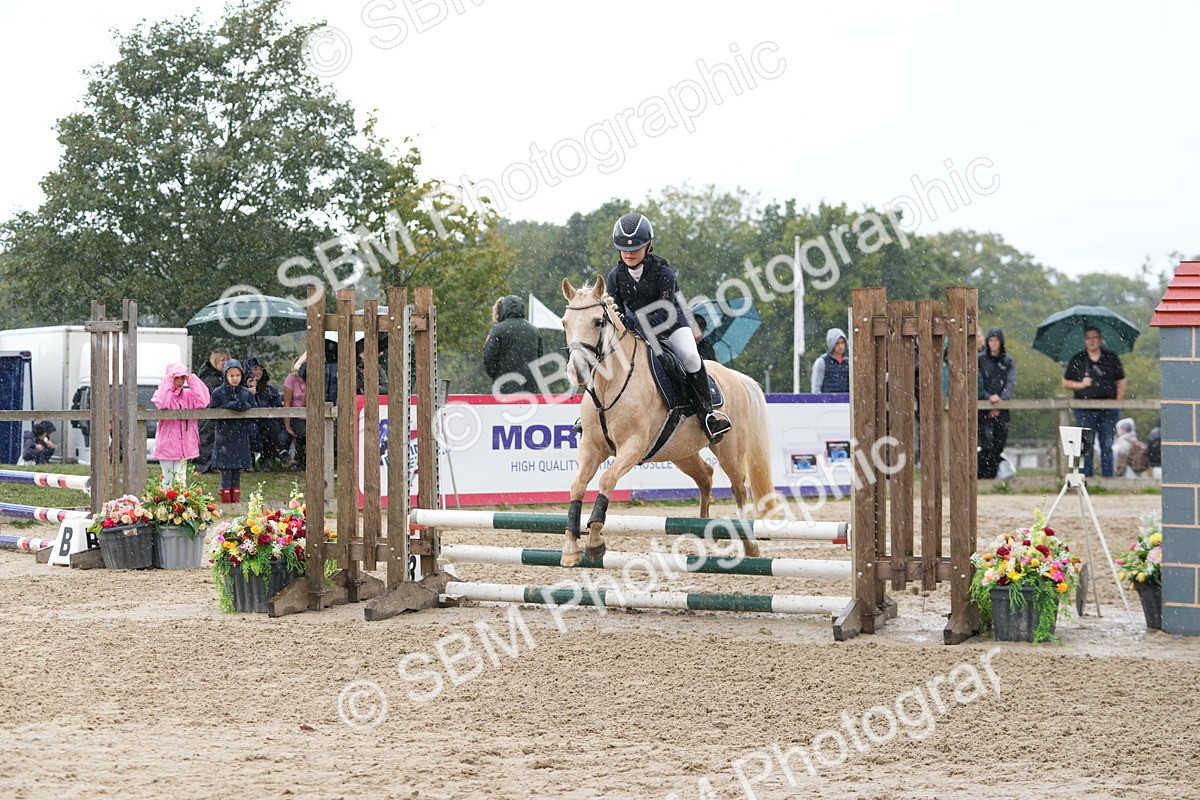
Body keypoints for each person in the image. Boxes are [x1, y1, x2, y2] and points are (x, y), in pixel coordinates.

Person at [605, 212, 730, 444]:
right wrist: (624, 322)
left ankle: (707, 414)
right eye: (623, 248)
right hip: (637, 333)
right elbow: (615, 311)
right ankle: (594, 417)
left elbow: (666, 313)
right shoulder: (614, 277)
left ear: (649, 246)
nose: (629, 253)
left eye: (636, 248)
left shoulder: (663, 272)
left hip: (672, 327)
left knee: (691, 357)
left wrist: (635, 322)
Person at [1062, 327, 1125, 477]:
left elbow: (1121, 381)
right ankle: (1086, 479)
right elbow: (1065, 382)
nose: (1092, 341)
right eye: (1088, 338)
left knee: (1107, 445)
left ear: (1101, 340)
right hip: (1084, 409)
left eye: (1095, 337)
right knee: (1085, 445)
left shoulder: (1111, 358)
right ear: (1084, 341)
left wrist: (1117, 403)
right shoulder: (1078, 359)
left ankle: (1108, 479)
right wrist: (1080, 384)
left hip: (1108, 409)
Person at [151, 362, 210, 482]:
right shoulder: (162, 394)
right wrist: (167, 381)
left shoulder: (188, 395)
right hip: (167, 444)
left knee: (180, 480)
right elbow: (162, 403)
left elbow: (203, 402)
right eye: (176, 378)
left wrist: (192, 380)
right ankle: (166, 500)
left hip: (185, 445)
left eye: (182, 378)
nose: (179, 381)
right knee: (167, 479)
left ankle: (180, 501)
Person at [208, 359, 256, 504]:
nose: (235, 379)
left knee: (237, 473)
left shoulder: (246, 393)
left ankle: (235, 503)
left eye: (237, 375)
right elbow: (211, 414)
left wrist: (245, 408)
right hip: (224, 437)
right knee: (226, 472)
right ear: (226, 376)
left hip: (240, 437)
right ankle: (226, 504)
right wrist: (230, 406)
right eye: (232, 375)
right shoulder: (218, 392)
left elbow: (255, 413)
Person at [483, 295, 544, 394]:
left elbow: (489, 356)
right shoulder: (534, 330)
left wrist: (495, 374)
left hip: (504, 385)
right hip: (530, 387)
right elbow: (539, 357)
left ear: (502, 309)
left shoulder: (498, 329)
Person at [977, 328, 1016, 479]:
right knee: (986, 445)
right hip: (983, 408)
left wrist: (1000, 401)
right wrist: (989, 398)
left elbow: (1010, 382)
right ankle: (982, 476)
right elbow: (978, 383)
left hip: (1003, 409)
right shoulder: (980, 359)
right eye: (991, 340)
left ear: (1001, 342)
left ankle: (992, 476)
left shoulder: (1008, 361)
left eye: (996, 340)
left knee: (999, 446)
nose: (993, 343)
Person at [244, 357, 288, 468]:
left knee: (272, 426)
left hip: (268, 422)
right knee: (255, 429)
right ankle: (250, 461)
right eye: (255, 369)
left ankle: (268, 459)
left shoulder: (270, 389)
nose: (258, 372)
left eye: (261, 369)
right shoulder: (242, 389)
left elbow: (277, 407)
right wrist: (250, 392)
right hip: (248, 422)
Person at [196, 348, 230, 472]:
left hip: (219, 414)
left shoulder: (224, 376)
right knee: (208, 439)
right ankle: (205, 465)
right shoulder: (209, 377)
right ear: (215, 361)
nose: (226, 362)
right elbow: (216, 397)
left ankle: (215, 464)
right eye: (223, 360)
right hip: (208, 414)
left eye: (228, 359)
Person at [283, 356, 307, 470]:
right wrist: (287, 425)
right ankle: (299, 459)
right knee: (302, 434)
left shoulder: (315, 379)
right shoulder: (290, 379)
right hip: (296, 415)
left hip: (311, 415)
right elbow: (287, 404)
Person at [810, 328, 849, 394]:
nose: (841, 346)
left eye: (842, 342)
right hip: (827, 402)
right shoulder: (821, 362)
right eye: (837, 343)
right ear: (832, 344)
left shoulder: (849, 363)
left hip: (846, 402)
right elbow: (816, 389)